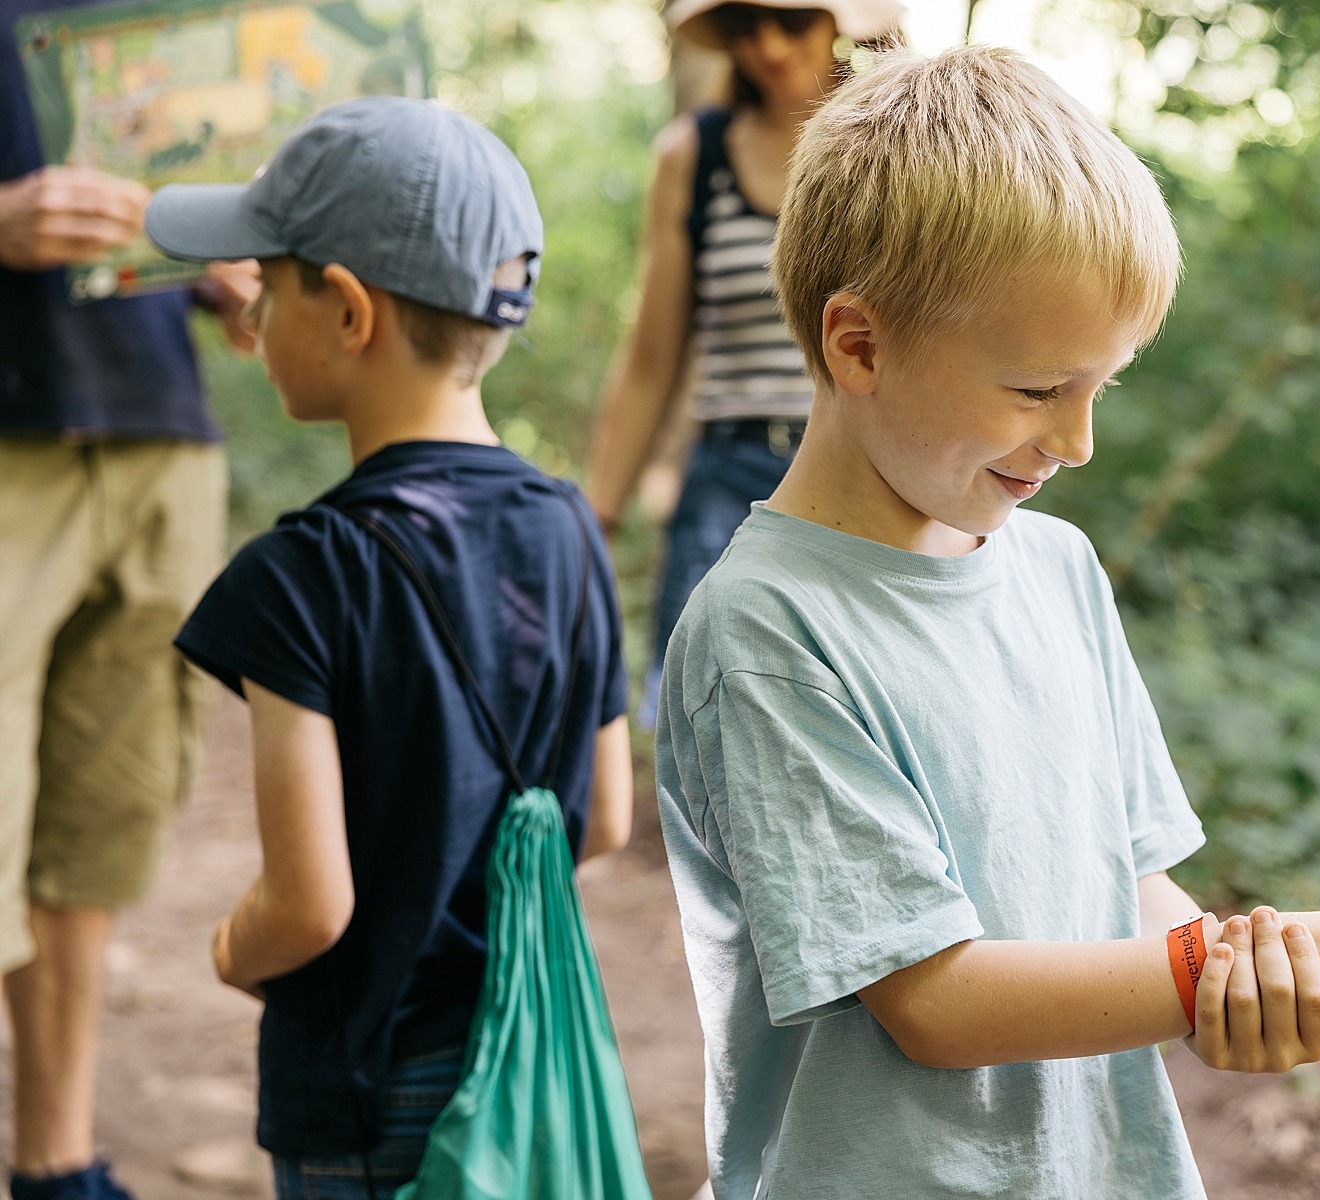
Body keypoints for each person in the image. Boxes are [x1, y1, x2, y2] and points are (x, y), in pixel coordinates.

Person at [655, 46, 1320, 1199]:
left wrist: (1246, 982)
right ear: (859, 343)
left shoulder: (1054, 569)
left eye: (1104, 387)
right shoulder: (766, 631)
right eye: (1037, 390)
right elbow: (932, 1001)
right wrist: (1245, 962)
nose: (1077, 444)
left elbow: (1135, 888)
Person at [141, 97, 634, 1199]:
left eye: (267, 282)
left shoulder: (303, 572)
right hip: (520, 1069)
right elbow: (600, 818)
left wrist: (228, 948)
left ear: (348, 311)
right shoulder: (567, 528)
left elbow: (310, 907)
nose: (251, 311)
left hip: (366, 1099)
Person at [0, 0, 257, 1193]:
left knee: (92, 839)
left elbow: (206, 194)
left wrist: (246, 275)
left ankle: (56, 1164)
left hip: (162, 439)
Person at [585, 0, 901, 723]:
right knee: (698, 718)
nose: (765, 43)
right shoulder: (692, 155)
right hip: (726, 478)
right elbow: (652, 358)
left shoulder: (893, 145)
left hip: (867, 474)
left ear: (838, 20)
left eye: (788, 19)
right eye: (741, 24)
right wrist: (596, 519)